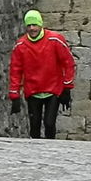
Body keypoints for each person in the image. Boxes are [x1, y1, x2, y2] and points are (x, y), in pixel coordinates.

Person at [8, 10, 76, 139]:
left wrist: (67, 87)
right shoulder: (20, 45)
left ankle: (50, 150)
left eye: (34, 24)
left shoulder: (55, 40)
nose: (32, 28)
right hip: (33, 91)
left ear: (41, 25)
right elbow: (15, 70)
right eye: (29, 25)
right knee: (34, 126)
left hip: (53, 89)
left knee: (49, 124)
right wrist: (14, 94)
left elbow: (68, 63)